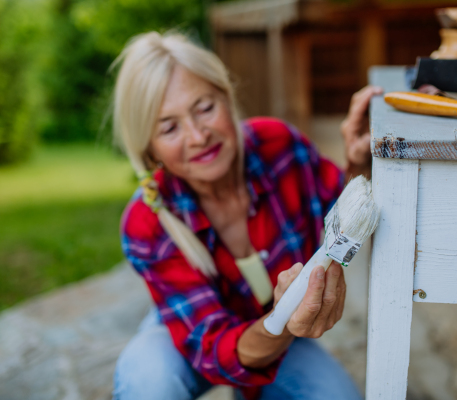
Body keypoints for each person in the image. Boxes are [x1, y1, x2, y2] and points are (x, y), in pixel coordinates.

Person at [111, 31, 383, 400]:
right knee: (147, 380)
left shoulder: (277, 144)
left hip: (276, 325)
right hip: (194, 330)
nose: (197, 135)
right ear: (150, 149)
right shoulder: (146, 221)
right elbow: (212, 347)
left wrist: (358, 160)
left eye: (205, 107)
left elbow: (336, 211)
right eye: (169, 127)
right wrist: (286, 316)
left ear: (227, 97)